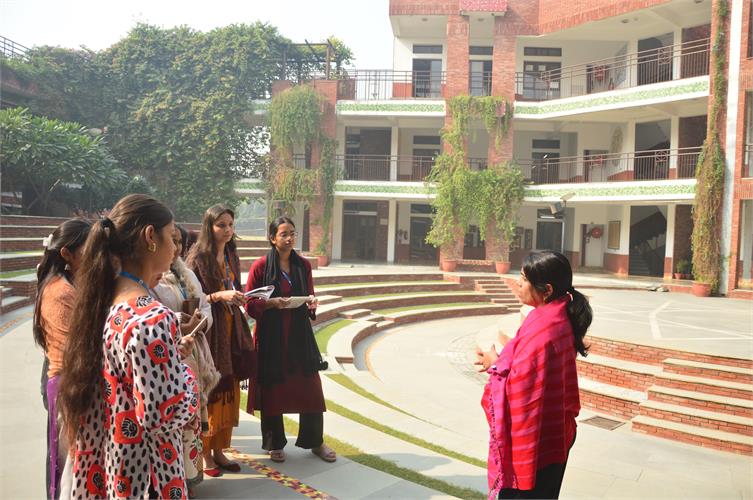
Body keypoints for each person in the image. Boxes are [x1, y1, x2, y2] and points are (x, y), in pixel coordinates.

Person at [57, 194, 198, 499]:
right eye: (171, 236)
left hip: (113, 466)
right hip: (148, 477)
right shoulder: (152, 318)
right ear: (150, 237)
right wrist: (187, 376)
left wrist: (169, 359)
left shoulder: (101, 301)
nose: (175, 248)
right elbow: (163, 414)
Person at [475, 251, 591, 500]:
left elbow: (522, 388)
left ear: (547, 290)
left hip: (537, 443)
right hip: (555, 433)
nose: (518, 283)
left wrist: (495, 364)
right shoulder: (555, 315)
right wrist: (500, 362)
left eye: (524, 279)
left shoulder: (545, 329)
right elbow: (529, 368)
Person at [245, 216, 335, 464]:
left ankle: (315, 441)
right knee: (273, 390)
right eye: (283, 234)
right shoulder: (261, 266)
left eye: (292, 233)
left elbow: (309, 296)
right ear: (272, 238)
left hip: (298, 336)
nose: (289, 238)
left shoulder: (303, 265)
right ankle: (274, 443)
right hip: (271, 337)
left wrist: (311, 303)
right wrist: (271, 303)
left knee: (311, 388)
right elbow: (249, 305)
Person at [153, 224, 220, 495]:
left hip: (193, 351)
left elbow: (205, 305)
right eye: (172, 240)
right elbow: (155, 316)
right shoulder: (152, 278)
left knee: (191, 421)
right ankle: (174, 482)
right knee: (175, 421)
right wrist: (179, 324)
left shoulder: (187, 273)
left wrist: (199, 322)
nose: (177, 248)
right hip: (169, 355)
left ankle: (189, 479)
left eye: (180, 242)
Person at [186, 205, 253, 476]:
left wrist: (239, 296)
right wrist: (218, 296)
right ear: (209, 227)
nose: (227, 230)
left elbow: (234, 285)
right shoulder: (198, 257)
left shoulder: (231, 253)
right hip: (211, 331)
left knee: (229, 391)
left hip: (232, 327)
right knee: (212, 391)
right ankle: (205, 455)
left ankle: (220, 450)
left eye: (230, 225)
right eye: (221, 225)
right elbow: (191, 298)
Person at [34, 218, 92, 499]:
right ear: (66, 253)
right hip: (68, 385)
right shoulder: (59, 292)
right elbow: (73, 350)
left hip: (77, 382)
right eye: (88, 249)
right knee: (66, 464)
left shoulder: (76, 284)